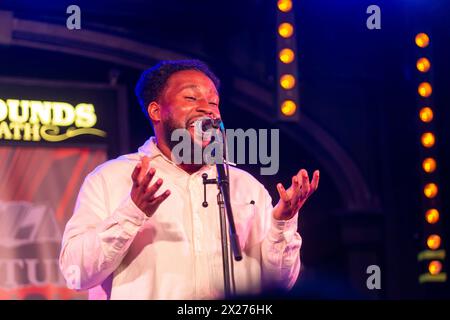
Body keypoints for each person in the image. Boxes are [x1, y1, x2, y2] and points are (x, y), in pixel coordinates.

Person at [59, 59, 320, 300]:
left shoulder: (246, 187)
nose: (208, 109)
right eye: (191, 97)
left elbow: (281, 284)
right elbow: (76, 273)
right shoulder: (111, 178)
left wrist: (282, 223)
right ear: (156, 111)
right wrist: (132, 211)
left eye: (214, 102)